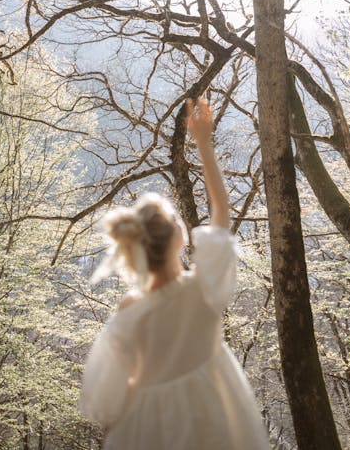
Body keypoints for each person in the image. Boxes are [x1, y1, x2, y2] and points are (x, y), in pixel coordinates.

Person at [80, 98, 270, 449]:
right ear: (179, 239)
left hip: (145, 427)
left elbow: (112, 399)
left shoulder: (130, 311)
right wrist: (203, 142)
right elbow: (221, 211)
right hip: (214, 424)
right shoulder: (202, 289)